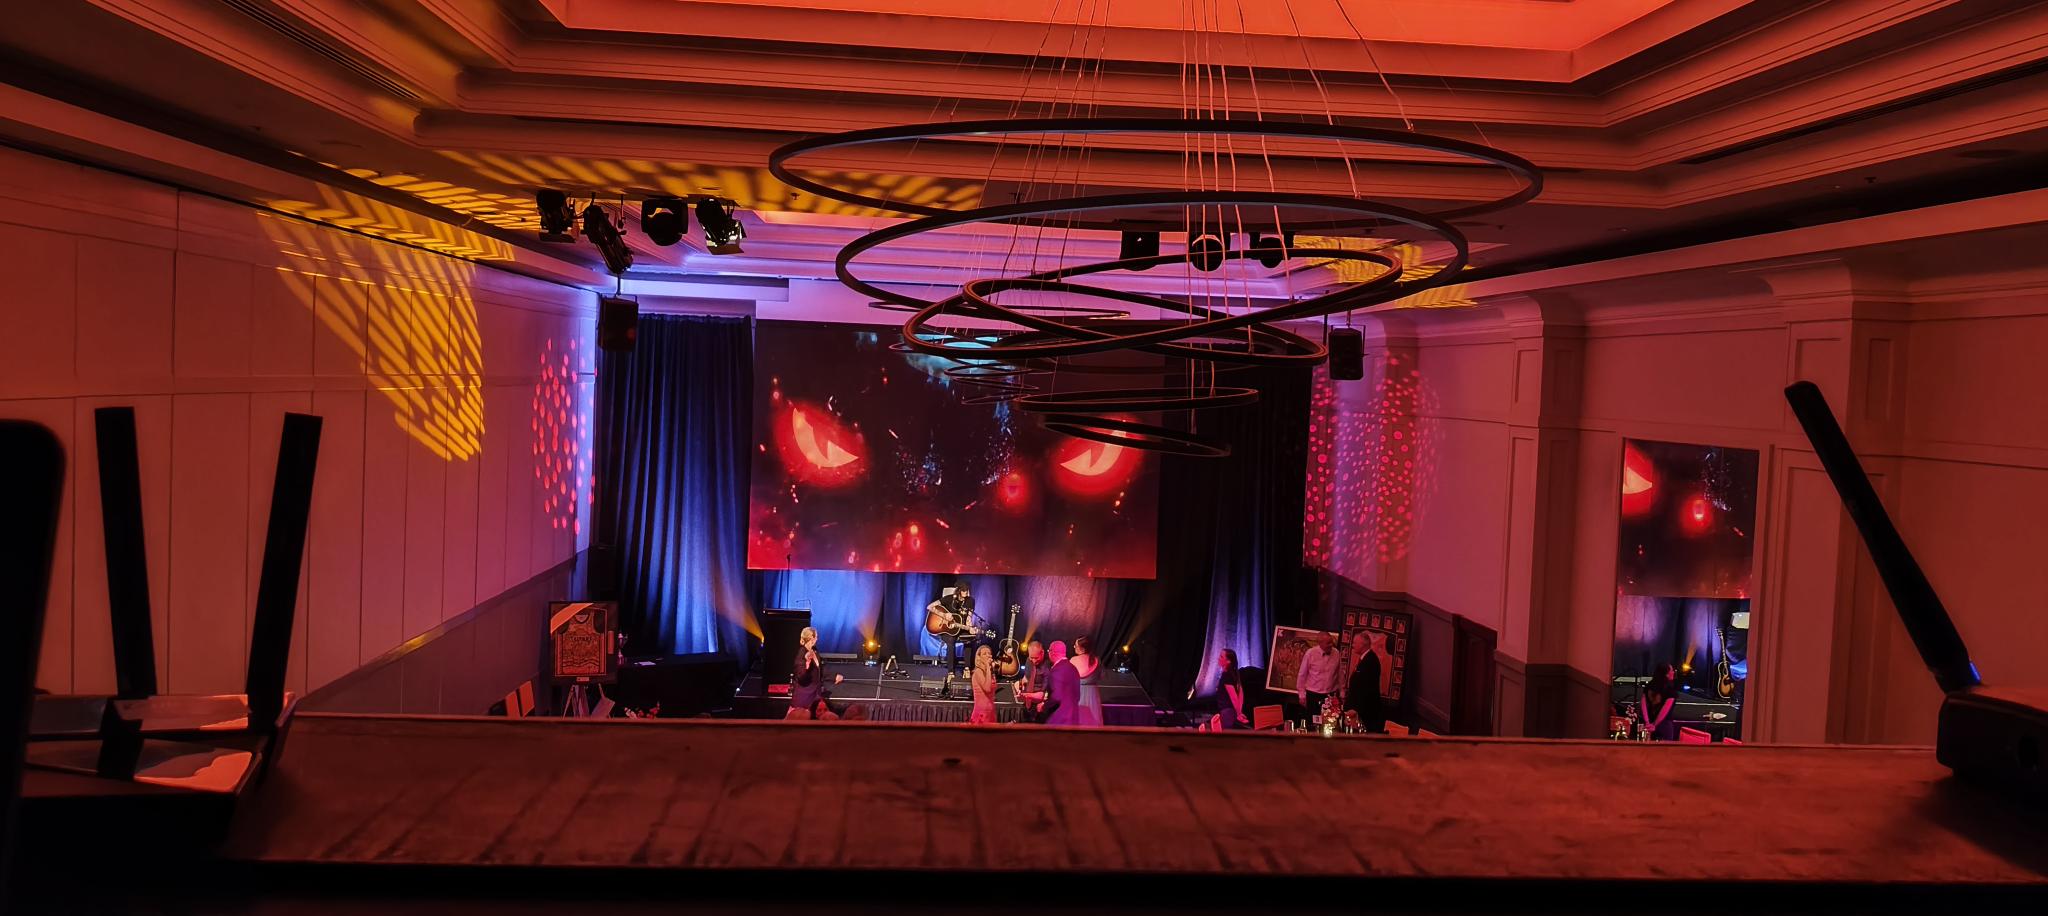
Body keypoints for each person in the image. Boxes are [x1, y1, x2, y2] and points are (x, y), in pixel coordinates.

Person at [788, 626, 843, 720]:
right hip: (803, 700)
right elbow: (801, 677)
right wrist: (807, 664)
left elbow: (820, 670)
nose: (817, 638)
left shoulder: (814, 651)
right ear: (811, 639)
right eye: (816, 636)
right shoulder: (802, 654)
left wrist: (834, 677)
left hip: (814, 697)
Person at [926, 580, 976, 677]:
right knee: (951, 641)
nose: (966, 592)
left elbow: (969, 617)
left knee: (969, 639)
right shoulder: (949, 599)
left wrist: (969, 626)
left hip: (961, 627)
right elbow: (930, 607)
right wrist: (943, 615)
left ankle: (967, 668)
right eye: (964, 590)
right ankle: (950, 671)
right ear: (959, 591)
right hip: (947, 630)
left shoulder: (970, 601)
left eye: (967, 590)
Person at [1345, 631, 1386, 733]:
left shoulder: (1371, 661)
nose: (1352, 645)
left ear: (1363, 644)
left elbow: (1367, 689)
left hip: (1366, 713)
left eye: (1355, 643)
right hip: (1359, 711)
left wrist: (1356, 709)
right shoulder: (1364, 659)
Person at [1296, 631, 1342, 719]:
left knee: (1330, 722)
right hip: (1313, 695)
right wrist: (1301, 694)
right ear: (1320, 643)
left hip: (1330, 695)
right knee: (1314, 722)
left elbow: (1339, 673)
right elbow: (1302, 674)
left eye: (1331, 642)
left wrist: (1342, 691)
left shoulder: (1336, 653)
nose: (1331, 645)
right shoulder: (1310, 653)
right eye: (1328, 643)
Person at [1043, 640, 1081, 726]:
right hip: (1073, 718)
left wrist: (1044, 706)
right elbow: (1077, 695)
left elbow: (1057, 697)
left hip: (1059, 719)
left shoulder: (1056, 670)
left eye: (1049, 651)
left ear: (1052, 652)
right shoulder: (1073, 668)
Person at [1068, 636, 1104, 727]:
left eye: (1075, 645)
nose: (1074, 647)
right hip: (1092, 694)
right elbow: (1102, 676)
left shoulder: (1073, 660)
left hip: (1077, 694)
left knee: (1079, 720)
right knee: (1093, 721)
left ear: (1082, 648)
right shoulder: (1097, 660)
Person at [1639, 664, 1680, 741]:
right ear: (1666, 674)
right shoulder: (1670, 689)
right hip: (1664, 725)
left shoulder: (1649, 686)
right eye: (1671, 670)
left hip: (1648, 724)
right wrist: (1654, 725)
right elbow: (1665, 710)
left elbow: (1643, 705)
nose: (1673, 672)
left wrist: (1647, 722)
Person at [1215, 649, 1250, 730]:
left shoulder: (1227, 676)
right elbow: (1240, 694)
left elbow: (1234, 697)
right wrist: (1239, 711)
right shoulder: (1234, 673)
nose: (1218, 658)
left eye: (1221, 656)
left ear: (1228, 661)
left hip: (1227, 712)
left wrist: (1238, 714)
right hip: (1230, 712)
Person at [1015, 641, 1051, 721]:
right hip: (1027, 703)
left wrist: (1026, 695)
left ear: (1042, 653)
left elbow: (1043, 694)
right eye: (1032, 657)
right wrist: (1018, 684)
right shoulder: (1028, 661)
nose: (1034, 661)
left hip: (1039, 706)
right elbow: (1026, 678)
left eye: (1036, 658)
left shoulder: (1047, 666)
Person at [969, 645, 998, 725]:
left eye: (989, 653)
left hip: (991, 712)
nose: (988, 655)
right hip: (981, 714)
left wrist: (991, 670)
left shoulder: (990, 673)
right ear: (979, 658)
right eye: (984, 654)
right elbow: (987, 689)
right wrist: (988, 668)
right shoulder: (978, 672)